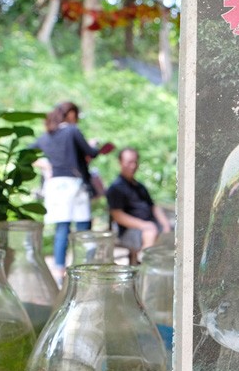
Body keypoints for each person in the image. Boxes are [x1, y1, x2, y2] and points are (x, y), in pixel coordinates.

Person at [33, 101, 114, 280]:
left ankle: (59, 273)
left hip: (54, 186)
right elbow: (91, 153)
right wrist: (93, 145)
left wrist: (45, 166)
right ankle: (85, 269)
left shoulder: (46, 136)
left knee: (62, 229)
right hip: (74, 185)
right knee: (83, 228)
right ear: (71, 114)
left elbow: (26, 153)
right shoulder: (72, 131)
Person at [105, 148, 173, 262]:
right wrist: (144, 225)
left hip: (150, 225)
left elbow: (154, 207)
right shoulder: (116, 188)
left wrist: (165, 224)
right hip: (130, 231)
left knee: (173, 230)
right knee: (150, 231)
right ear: (120, 162)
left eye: (135, 162)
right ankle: (146, 266)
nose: (133, 166)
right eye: (129, 162)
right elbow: (117, 215)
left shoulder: (140, 187)